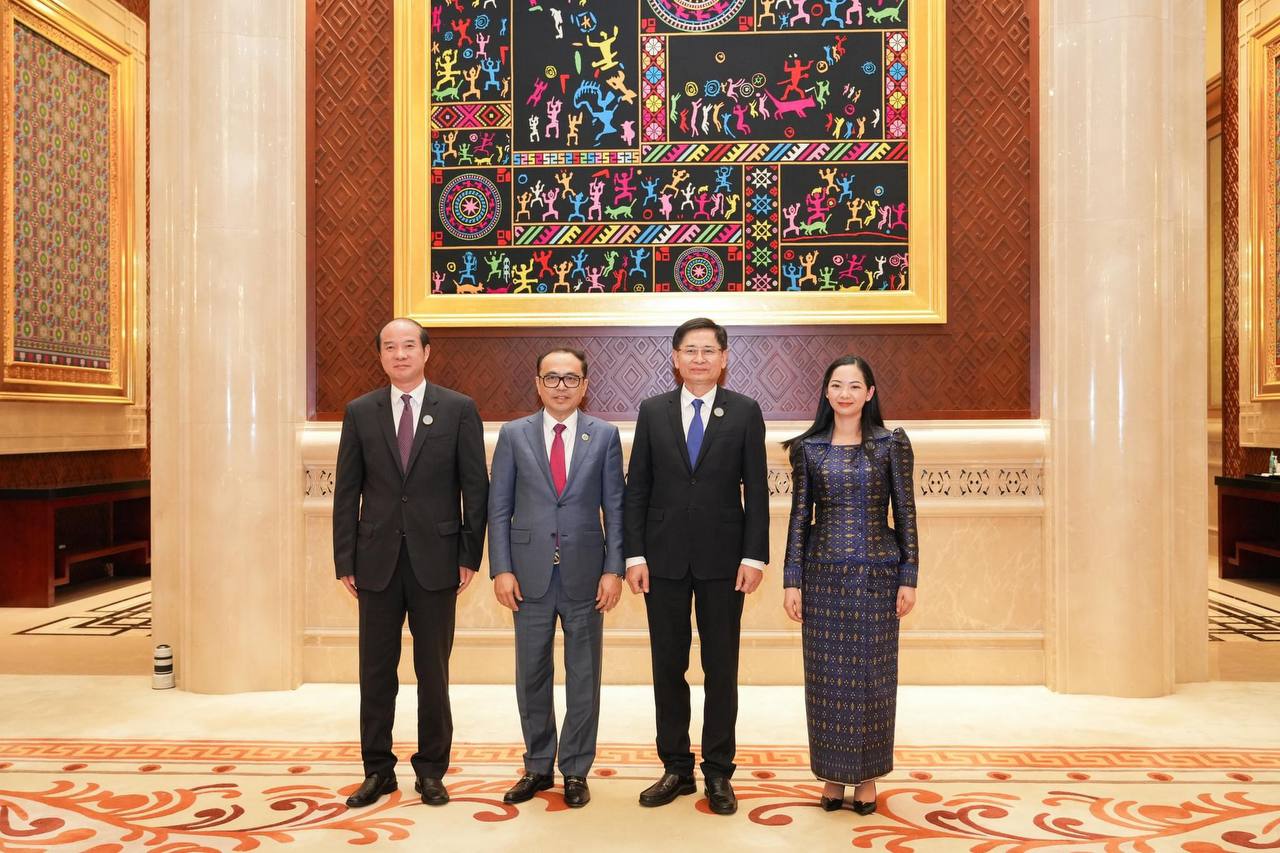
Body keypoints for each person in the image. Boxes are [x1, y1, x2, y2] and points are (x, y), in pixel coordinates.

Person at [332, 318, 489, 808]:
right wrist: (344, 559)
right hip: (375, 562)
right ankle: (377, 770)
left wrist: (468, 554)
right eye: (389, 347)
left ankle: (431, 770)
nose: (399, 354)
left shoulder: (458, 408)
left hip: (437, 560)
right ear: (380, 355)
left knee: (433, 673)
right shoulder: (361, 411)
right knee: (375, 673)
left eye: (407, 346)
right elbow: (347, 491)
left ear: (426, 352)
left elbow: (475, 489)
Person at [623, 317, 769, 816]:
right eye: (690, 350)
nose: (700, 358)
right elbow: (637, 488)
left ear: (724, 358)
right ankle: (676, 767)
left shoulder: (745, 411)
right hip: (661, 559)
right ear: (676, 357)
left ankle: (719, 771)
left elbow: (757, 489)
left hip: (725, 560)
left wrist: (753, 556)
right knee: (668, 664)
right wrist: (635, 555)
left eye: (709, 350)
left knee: (720, 667)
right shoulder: (653, 411)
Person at [781, 355, 918, 816]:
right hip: (822, 577)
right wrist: (792, 580)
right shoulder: (809, 449)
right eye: (837, 385)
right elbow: (799, 518)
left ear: (870, 393)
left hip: (878, 576)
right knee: (826, 681)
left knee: (872, 679)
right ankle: (832, 776)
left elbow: (905, 513)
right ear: (826, 392)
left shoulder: (890, 444)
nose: (845, 394)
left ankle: (868, 777)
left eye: (855, 386)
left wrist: (909, 575)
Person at [488, 347, 625, 809]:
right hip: (527, 576)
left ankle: (576, 768)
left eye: (570, 378)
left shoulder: (604, 435)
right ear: (538, 383)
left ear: (584, 385)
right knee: (531, 674)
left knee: (584, 676)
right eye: (552, 377)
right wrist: (502, 568)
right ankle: (537, 765)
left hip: (586, 575)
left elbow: (616, 509)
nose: (560, 386)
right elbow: (498, 508)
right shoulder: (513, 434)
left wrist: (613, 569)